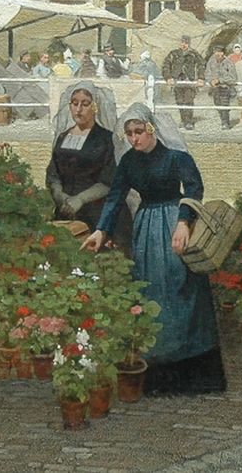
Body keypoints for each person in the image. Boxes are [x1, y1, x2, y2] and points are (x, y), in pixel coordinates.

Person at [82, 104, 226, 395]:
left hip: (175, 224)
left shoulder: (176, 157)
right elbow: (115, 197)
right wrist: (101, 229)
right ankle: (157, 371)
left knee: (181, 289)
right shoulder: (129, 163)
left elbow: (194, 189)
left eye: (139, 132)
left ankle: (193, 372)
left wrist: (184, 223)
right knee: (151, 290)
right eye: (129, 134)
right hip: (146, 229)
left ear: (151, 130)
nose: (134, 139)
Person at [46, 82, 128, 245]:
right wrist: (59, 195)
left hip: (97, 211)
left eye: (85, 104)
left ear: (95, 107)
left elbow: (109, 180)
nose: (78, 109)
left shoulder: (106, 139)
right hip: (67, 209)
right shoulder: (63, 137)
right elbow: (53, 173)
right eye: (74, 103)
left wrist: (81, 199)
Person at [162, 35, 205, 130]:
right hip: (177, 81)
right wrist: (168, 77)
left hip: (190, 81)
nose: (184, 45)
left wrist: (200, 78)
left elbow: (201, 65)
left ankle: (189, 121)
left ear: (189, 44)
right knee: (179, 101)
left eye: (186, 43)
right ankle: (183, 120)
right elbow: (166, 65)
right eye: (182, 42)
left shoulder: (194, 54)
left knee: (188, 101)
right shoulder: (174, 53)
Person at [205, 45, 238, 130]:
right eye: (216, 52)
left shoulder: (228, 62)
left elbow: (233, 78)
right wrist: (210, 80)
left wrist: (220, 80)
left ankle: (225, 123)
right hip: (215, 88)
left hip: (225, 88)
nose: (218, 54)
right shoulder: (211, 62)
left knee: (224, 105)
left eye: (220, 52)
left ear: (223, 53)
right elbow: (207, 73)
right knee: (217, 104)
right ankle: (222, 119)